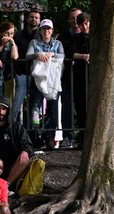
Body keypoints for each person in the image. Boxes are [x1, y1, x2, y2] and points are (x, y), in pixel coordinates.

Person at [26, 19, 64, 148]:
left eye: (49, 29)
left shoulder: (57, 43)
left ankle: (50, 137)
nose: (46, 31)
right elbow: (28, 55)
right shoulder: (34, 42)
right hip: (37, 79)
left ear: (52, 31)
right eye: (44, 29)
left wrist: (52, 54)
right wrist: (38, 55)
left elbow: (62, 56)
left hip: (53, 80)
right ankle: (35, 137)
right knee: (35, 108)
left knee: (53, 109)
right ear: (40, 30)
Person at [0, 97, 34, 185]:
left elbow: (28, 145)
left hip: (14, 167)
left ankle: (5, 186)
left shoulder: (16, 127)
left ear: (8, 110)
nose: (0, 112)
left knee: (24, 156)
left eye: (4, 109)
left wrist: (25, 151)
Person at [58, 7, 82, 148]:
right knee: (66, 106)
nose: (75, 21)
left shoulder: (87, 35)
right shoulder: (64, 36)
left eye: (77, 18)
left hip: (82, 77)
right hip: (67, 76)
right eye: (72, 18)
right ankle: (67, 136)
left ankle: (82, 135)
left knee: (81, 107)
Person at [12, 10, 41, 125]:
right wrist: (17, 70)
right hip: (22, 73)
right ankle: (12, 127)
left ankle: (33, 132)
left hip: (37, 74)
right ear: (27, 19)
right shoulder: (19, 34)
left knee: (34, 106)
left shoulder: (42, 34)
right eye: (32, 17)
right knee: (17, 102)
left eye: (36, 17)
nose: (34, 19)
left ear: (39, 20)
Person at [68, 13, 91, 146]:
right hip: (80, 77)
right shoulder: (76, 38)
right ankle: (82, 136)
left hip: (92, 77)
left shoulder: (95, 38)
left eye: (87, 23)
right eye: (82, 24)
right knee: (81, 107)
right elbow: (71, 52)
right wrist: (84, 56)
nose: (85, 26)